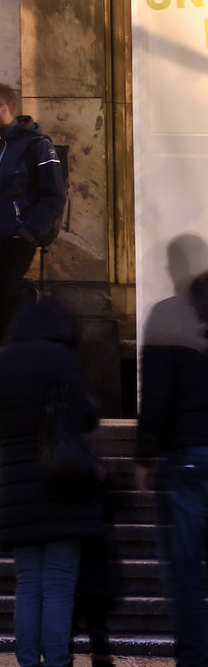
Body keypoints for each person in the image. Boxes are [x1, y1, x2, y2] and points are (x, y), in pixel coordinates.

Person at [0, 296, 104, 667]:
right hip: (63, 484)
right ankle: (58, 661)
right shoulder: (59, 358)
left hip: (16, 489)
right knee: (60, 583)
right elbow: (86, 416)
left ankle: (28, 660)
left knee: (28, 582)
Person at [135, 242, 208, 667]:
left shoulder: (167, 314)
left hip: (185, 456)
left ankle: (195, 659)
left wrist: (145, 457)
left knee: (184, 574)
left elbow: (156, 396)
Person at [0, 81, 67, 349]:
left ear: (2, 109)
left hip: (14, 242)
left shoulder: (37, 146)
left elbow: (53, 196)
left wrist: (26, 235)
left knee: (5, 306)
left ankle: (11, 357)